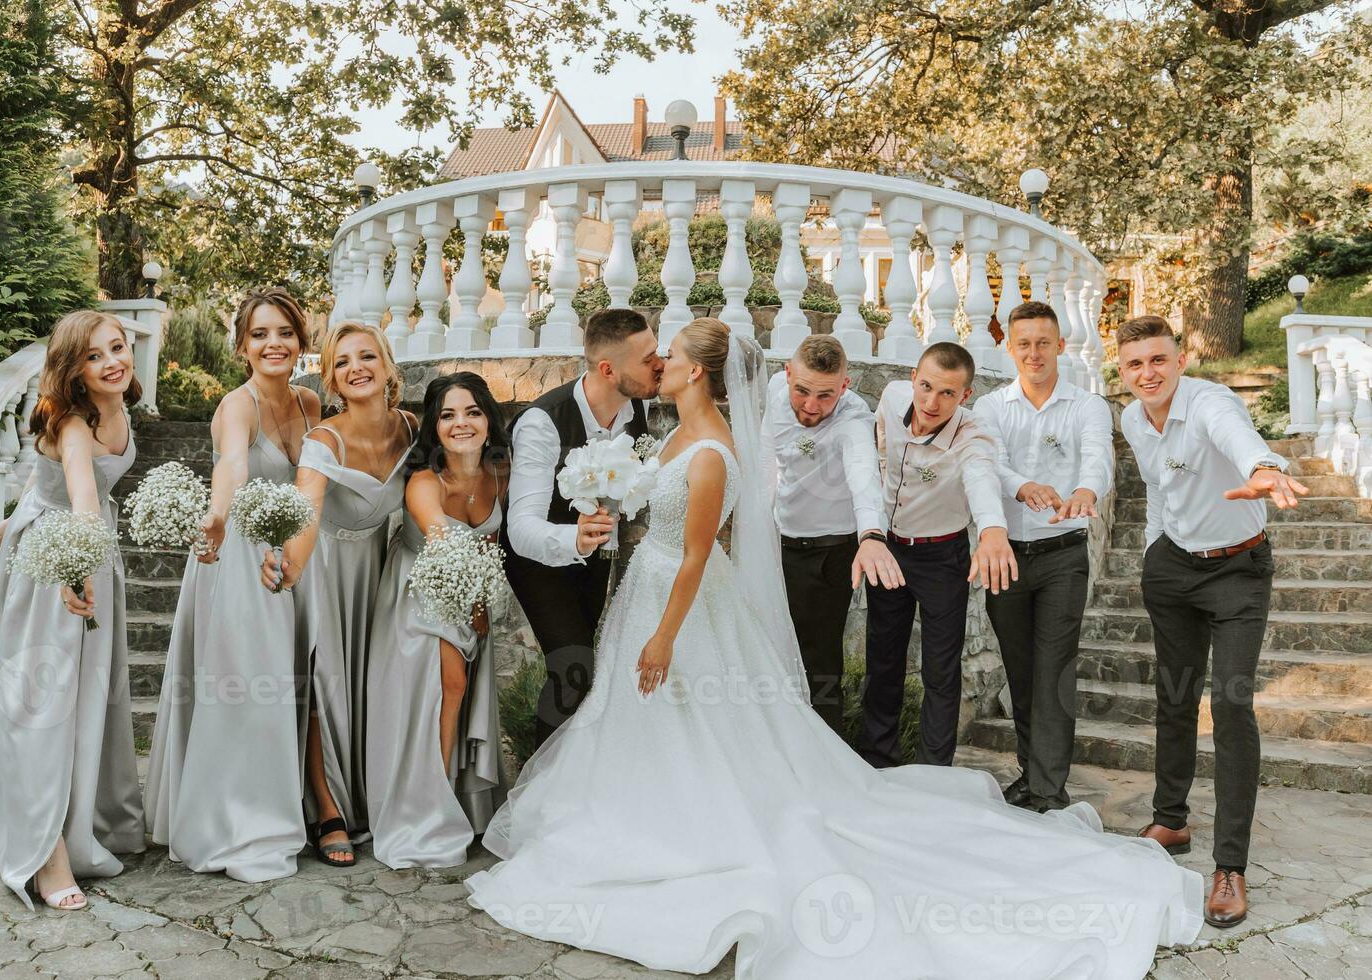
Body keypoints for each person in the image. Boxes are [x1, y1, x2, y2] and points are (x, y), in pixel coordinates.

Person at [465, 317, 1203, 978]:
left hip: (676, 605)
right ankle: (633, 810)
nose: (658, 362)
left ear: (695, 371)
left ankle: (685, 825)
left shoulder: (715, 448)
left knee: (696, 718)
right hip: (649, 592)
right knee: (661, 724)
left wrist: (663, 637)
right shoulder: (674, 433)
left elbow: (698, 554)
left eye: (669, 355)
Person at [1118, 314, 1308, 928]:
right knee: (1174, 697)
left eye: (1158, 360)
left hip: (1237, 572)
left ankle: (1232, 866)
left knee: (1228, 704)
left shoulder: (1210, 402)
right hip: (1172, 568)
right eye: (1134, 364)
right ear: (1123, 372)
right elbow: (1157, 490)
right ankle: (1171, 820)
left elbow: (1236, 435)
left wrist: (1263, 468)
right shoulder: (1129, 419)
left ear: (1180, 360)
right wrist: (1153, 554)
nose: (1148, 373)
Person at [143, 287, 319, 882]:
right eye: (261, 334)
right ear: (243, 345)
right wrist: (217, 515)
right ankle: (237, 822)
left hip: (296, 556)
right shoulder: (235, 405)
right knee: (246, 689)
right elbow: (232, 465)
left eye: (285, 333)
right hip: (239, 561)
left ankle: (296, 803)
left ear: (301, 340)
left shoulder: (311, 405)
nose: (274, 344)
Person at [0, 310, 145, 909]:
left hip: (88, 549)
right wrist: (73, 570)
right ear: (72, 369)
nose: (112, 363)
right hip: (58, 566)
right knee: (42, 704)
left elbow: (41, 481)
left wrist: (11, 516)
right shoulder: (72, 423)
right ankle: (45, 857)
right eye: (95, 356)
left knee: (86, 701)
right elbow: (77, 494)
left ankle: (81, 826)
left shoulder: (119, 408)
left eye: (118, 348)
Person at [257, 322, 417, 867]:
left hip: (379, 570)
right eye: (343, 362)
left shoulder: (413, 429)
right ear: (330, 379)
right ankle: (325, 809)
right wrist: (290, 570)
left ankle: (376, 794)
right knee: (323, 683)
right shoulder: (324, 439)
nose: (357, 368)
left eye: (367, 356)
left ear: (389, 366)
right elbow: (306, 511)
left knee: (371, 684)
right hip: (322, 566)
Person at [973, 301, 1115, 812]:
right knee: (1021, 670)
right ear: (1010, 349)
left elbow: (1099, 456)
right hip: (1005, 558)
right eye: (1024, 343)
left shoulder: (1087, 405)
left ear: (1058, 345)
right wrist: (1023, 486)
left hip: (1062, 556)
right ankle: (1032, 774)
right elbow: (991, 463)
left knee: (1053, 670)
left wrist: (1085, 492)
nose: (1034, 352)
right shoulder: (990, 408)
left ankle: (1049, 791)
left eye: (1043, 342)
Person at [366, 372, 510, 868]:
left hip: (471, 594)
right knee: (449, 684)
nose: (461, 423)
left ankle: (453, 797)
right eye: (447, 415)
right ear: (435, 427)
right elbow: (442, 542)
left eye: (472, 411)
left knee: (464, 691)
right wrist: (470, 605)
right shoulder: (426, 482)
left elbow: (490, 542)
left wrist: (479, 606)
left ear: (489, 420)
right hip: (422, 592)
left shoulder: (500, 474)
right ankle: (429, 807)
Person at [502, 307, 662, 746]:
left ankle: (574, 774)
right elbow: (521, 528)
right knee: (573, 669)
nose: (659, 364)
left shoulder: (636, 408)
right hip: (537, 558)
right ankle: (538, 792)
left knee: (585, 671)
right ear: (608, 369)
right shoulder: (542, 422)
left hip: (594, 557)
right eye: (647, 358)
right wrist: (573, 537)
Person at [864, 342, 1017, 768]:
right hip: (890, 551)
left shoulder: (975, 434)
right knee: (883, 659)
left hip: (941, 557)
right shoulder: (893, 396)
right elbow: (878, 448)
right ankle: (878, 758)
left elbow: (982, 477)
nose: (931, 402)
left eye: (947, 393)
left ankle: (934, 770)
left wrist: (992, 530)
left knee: (941, 670)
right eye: (926, 386)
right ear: (913, 377)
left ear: (965, 396)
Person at [760, 334, 891, 734]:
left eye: (825, 396)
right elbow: (767, 458)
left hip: (832, 552)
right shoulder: (773, 391)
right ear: (786, 375)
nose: (811, 406)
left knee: (820, 659)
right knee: (771, 652)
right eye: (802, 391)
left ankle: (826, 751)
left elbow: (863, 472)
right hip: (777, 544)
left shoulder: (854, 417)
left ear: (845, 387)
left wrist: (872, 535)